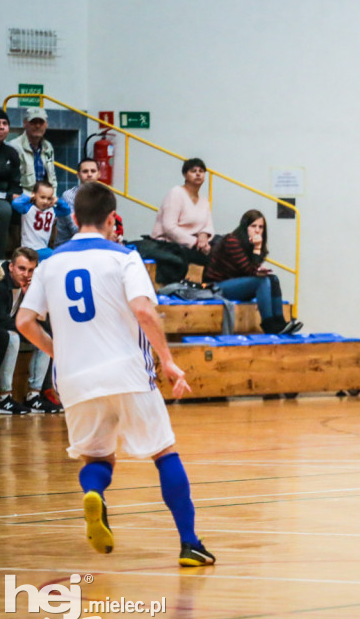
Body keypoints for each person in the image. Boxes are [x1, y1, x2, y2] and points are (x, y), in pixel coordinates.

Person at [16, 181, 215, 566]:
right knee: (163, 453)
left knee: (97, 459)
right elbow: (143, 310)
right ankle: (190, 543)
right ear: (112, 219)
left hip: (75, 379)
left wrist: (61, 352)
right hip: (126, 373)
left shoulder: (51, 262)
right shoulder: (125, 257)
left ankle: (95, 495)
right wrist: (169, 361)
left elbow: (25, 321)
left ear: (73, 218)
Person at [203, 209, 302, 334]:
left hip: (235, 284)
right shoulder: (232, 241)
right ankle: (269, 324)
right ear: (245, 227)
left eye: (261, 227)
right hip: (216, 286)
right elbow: (249, 270)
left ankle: (280, 322)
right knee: (262, 281)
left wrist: (258, 263)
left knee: (273, 279)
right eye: (253, 226)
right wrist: (257, 248)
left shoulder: (250, 243)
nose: (257, 230)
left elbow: (252, 269)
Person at [0, 247, 56, 414]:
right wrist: (28, 329)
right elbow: (0, 319)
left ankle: (34, 396)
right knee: (12, 337)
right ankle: (4, 397)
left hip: (11, 328)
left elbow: (43, 325)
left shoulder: (32, 286)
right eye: (22, 268)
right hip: (0, 331)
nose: (26, 274)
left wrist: (29, 297)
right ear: (11, 267)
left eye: (31, 270)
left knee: (45, 337)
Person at [140, 157, 214, 284]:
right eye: (193, 171)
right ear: (185, 174)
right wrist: (196, 242)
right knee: (201, 258)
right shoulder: (176, 193)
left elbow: (208, 226)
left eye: (201, 171)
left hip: (196, 243)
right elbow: (169, 227)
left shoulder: (204, 200)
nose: (198, 174)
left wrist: (204, 237)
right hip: (169, 242)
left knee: (221, 248)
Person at [13, 180, 71, 260]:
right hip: (28, 249)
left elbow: (67, 210)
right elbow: (15, 203)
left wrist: (57, 200)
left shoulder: (52, 210)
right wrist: (30, 196)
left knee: (59, 256)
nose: (45, 201)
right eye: (42, 197)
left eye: (49, 198)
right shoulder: (28, 208)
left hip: (43, 248)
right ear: (35, 194)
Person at [8, 106, 57, 194]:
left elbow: (52, 178)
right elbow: (11, 182)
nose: (37, 126)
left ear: (46, 124)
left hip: (45, 197)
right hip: (23, 197)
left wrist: (53, 197)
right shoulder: (14, 147)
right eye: (33, 122)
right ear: (25, 123)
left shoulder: (48, 147)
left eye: (41, 122)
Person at [55, 157, 100, 247]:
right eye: (85, 171)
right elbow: (75, 229)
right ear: (78, 175)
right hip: (68, 246)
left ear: (99, 174)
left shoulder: (102, 195)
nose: (89, 174)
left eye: (93, 171)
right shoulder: (69, 196)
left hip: (92, 243)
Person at [0, 108, 22, 259]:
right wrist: (8, 196)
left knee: (27, 208)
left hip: (6, 195)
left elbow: (16, 181)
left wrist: (17, 195)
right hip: (1, 199)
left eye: (5, 123)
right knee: (4, 210)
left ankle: (18, 256)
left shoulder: (11, 153)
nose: (1, 127)